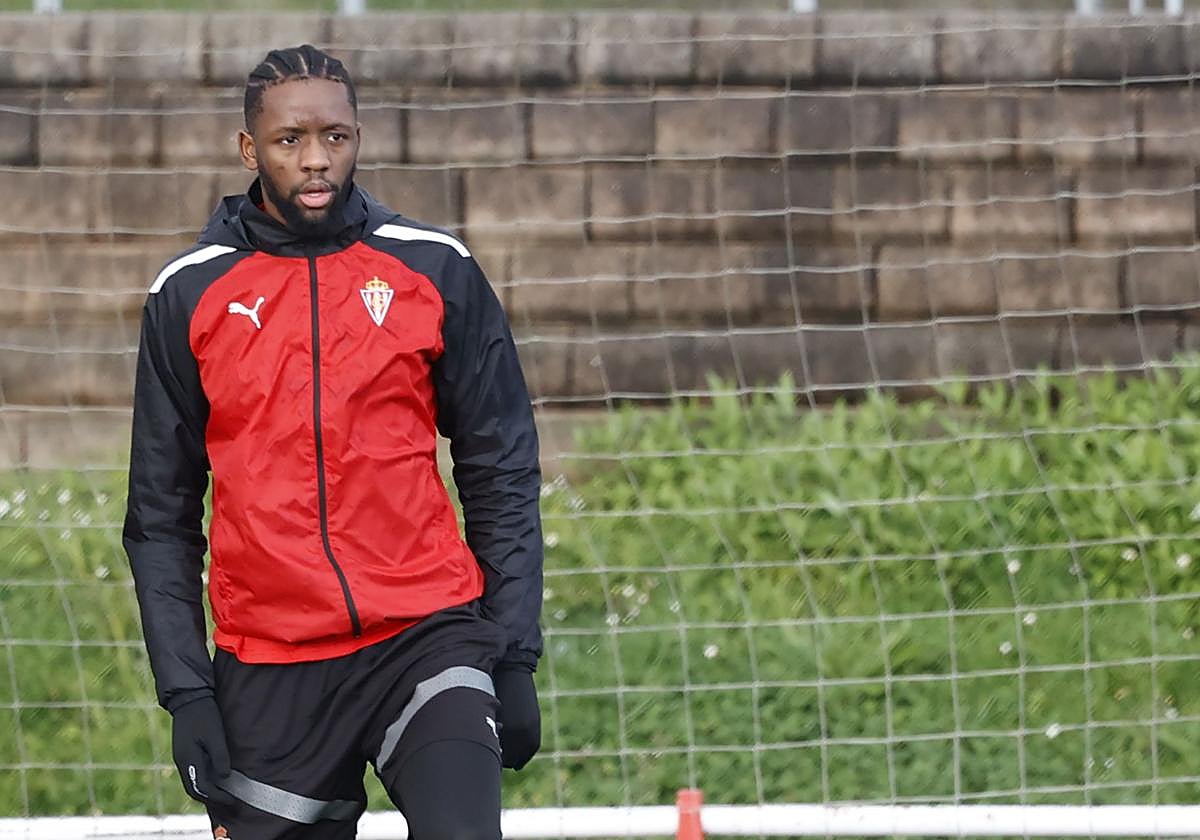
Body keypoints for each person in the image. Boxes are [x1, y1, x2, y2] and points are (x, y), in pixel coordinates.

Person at [123, 44, 543, 840]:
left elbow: (501, 468)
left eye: (336, 137)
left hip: (425, 636)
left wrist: (513, 653)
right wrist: (187, 693)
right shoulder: (188, 293)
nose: (316, 159)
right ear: (250, 149)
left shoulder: (435, 268)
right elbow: (159, 516)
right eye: (290, 141)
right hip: (269, 664)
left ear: (358, 137)